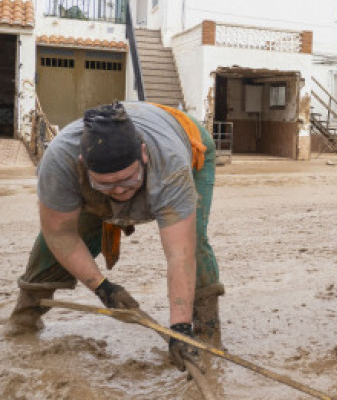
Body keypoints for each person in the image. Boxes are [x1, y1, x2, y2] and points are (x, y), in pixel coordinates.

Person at [5, 101, 224, 374]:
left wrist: (179, 329)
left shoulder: (170, 164)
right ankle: (26, 316)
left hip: (186, 140)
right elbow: (60, 234)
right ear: (83, 164)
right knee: (66, 233)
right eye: (108, 184)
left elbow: (180, 254)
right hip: (102, 176)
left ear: (143, 154)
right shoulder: (60, 161)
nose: (120, 191)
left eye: (128, 180)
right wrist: (103, 287)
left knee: (195, 240)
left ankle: (205, 328)